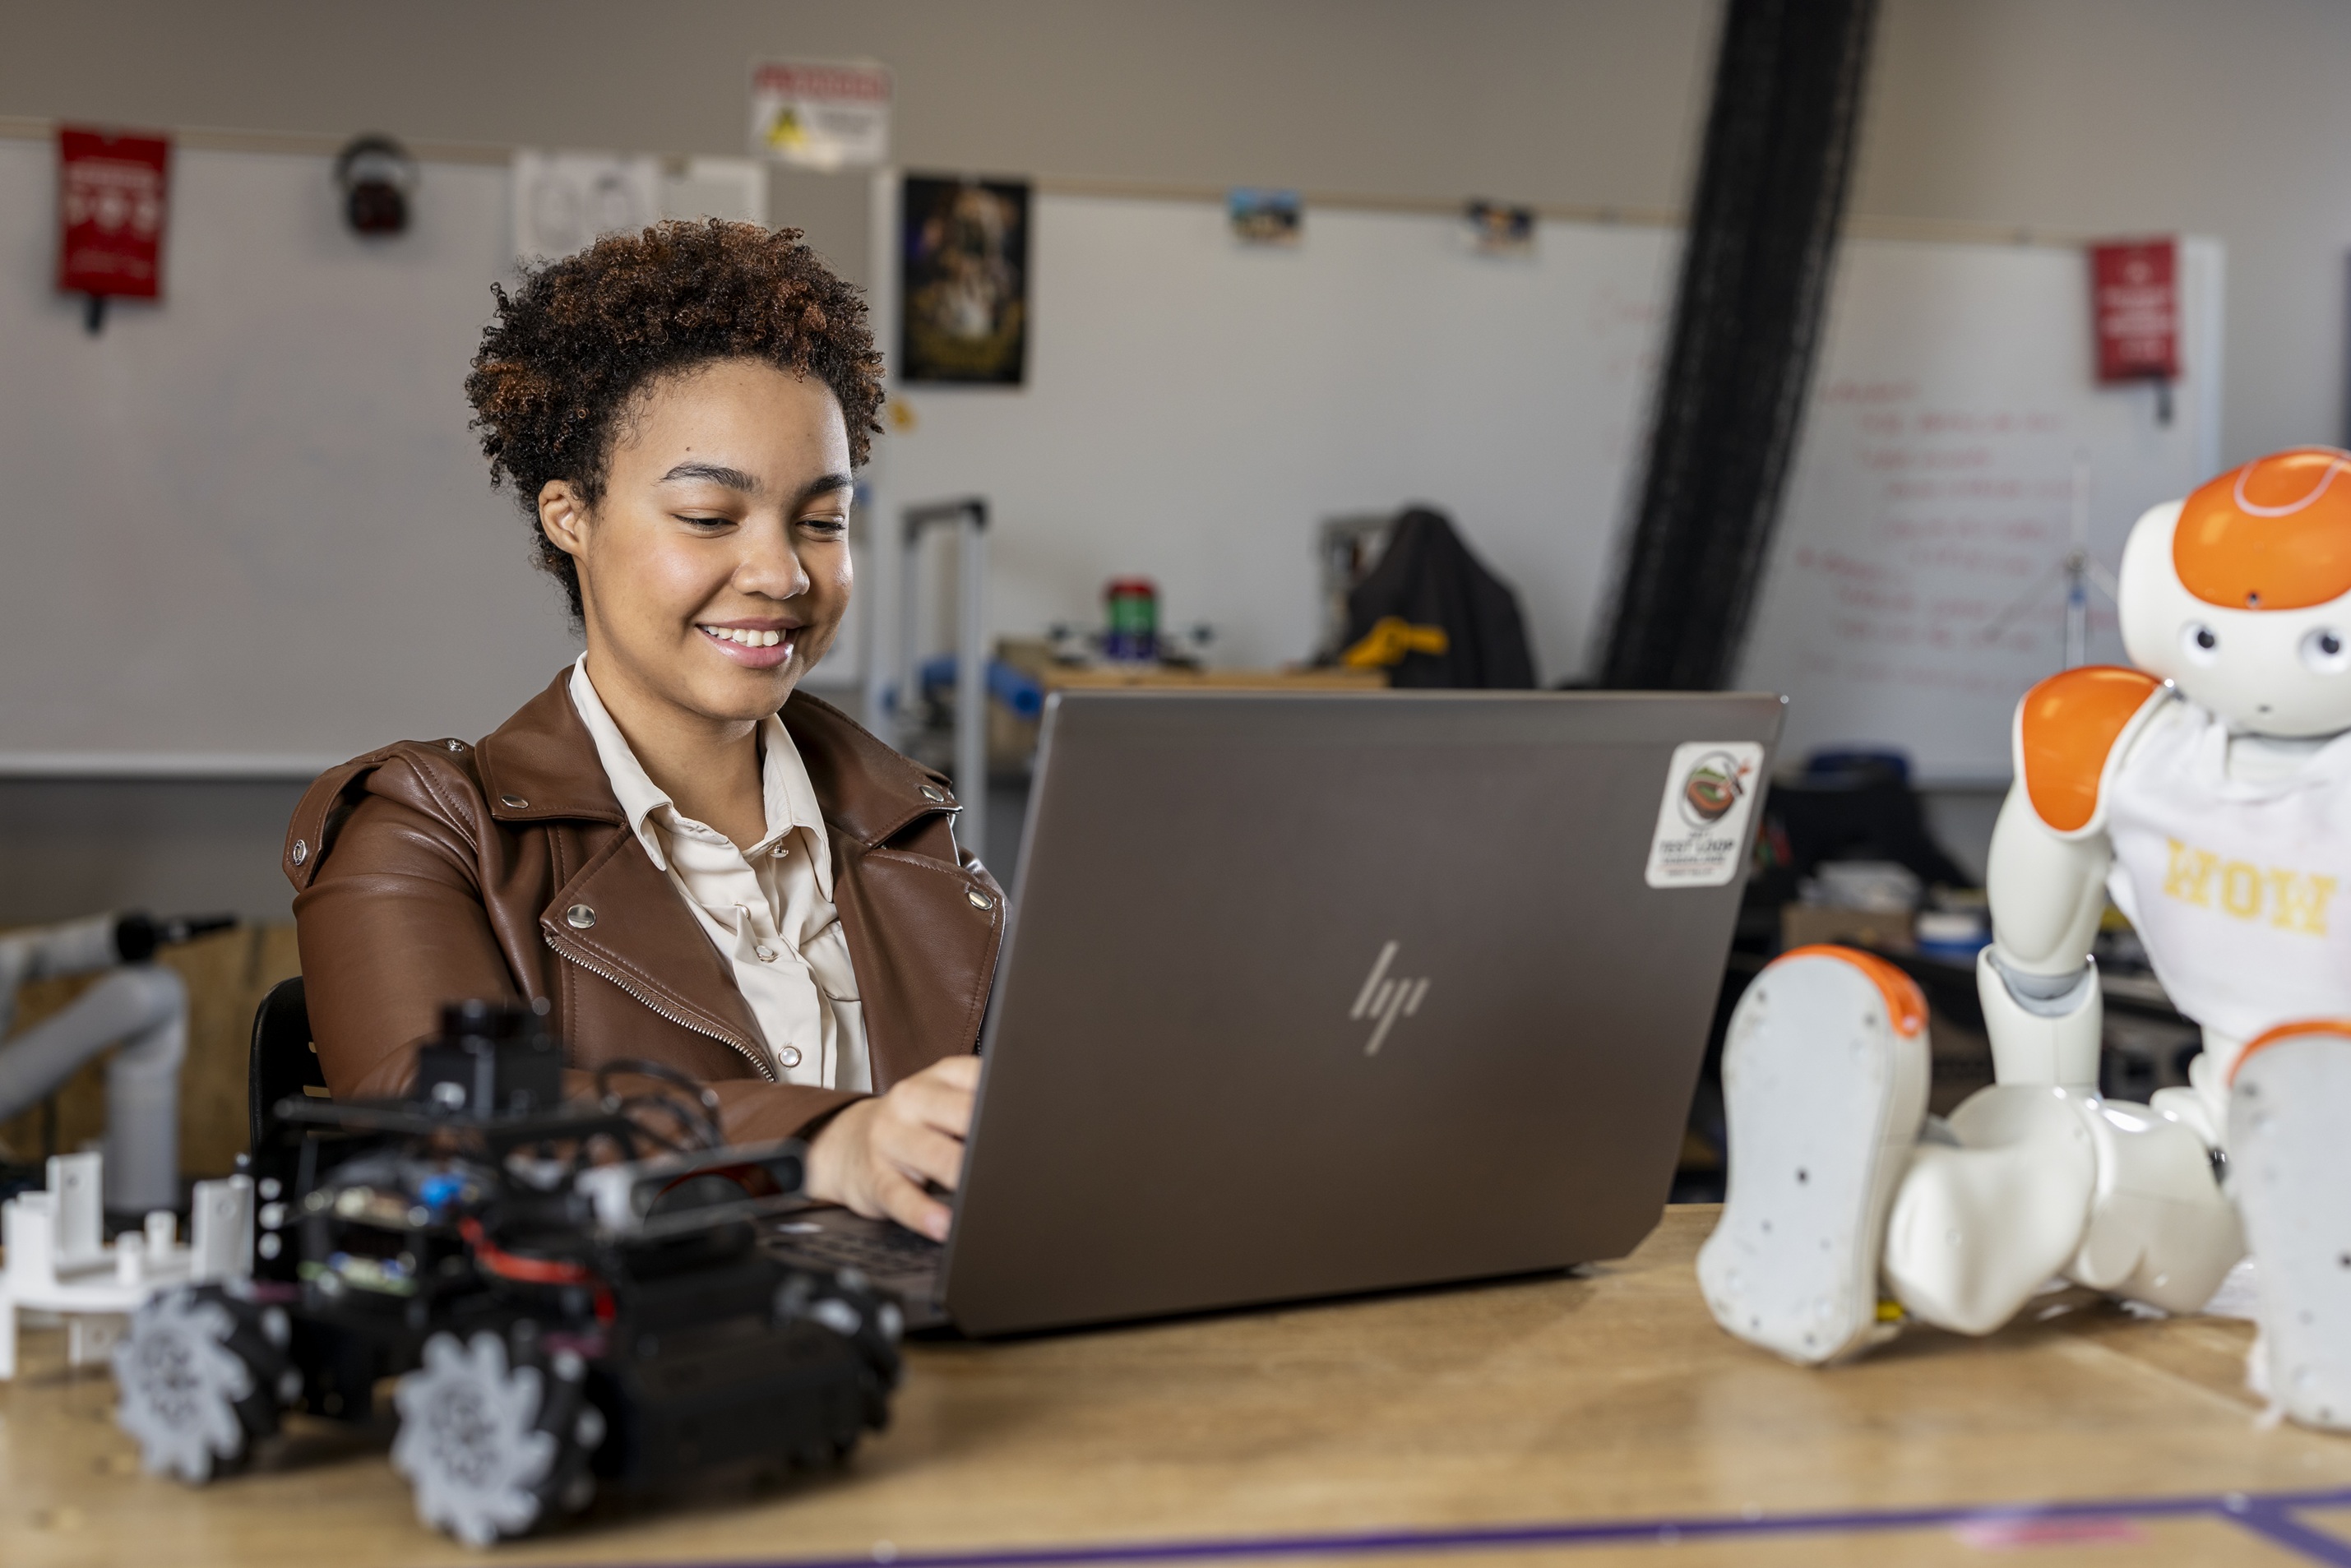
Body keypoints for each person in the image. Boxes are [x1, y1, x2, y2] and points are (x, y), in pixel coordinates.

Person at [284, 220, 993, 1240]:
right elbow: (421, 1134)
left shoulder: (915, 834)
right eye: (710, 516)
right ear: (570, 516)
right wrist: (826, 1141)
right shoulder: (424, 832)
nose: (783, 573)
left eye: (824, 521)